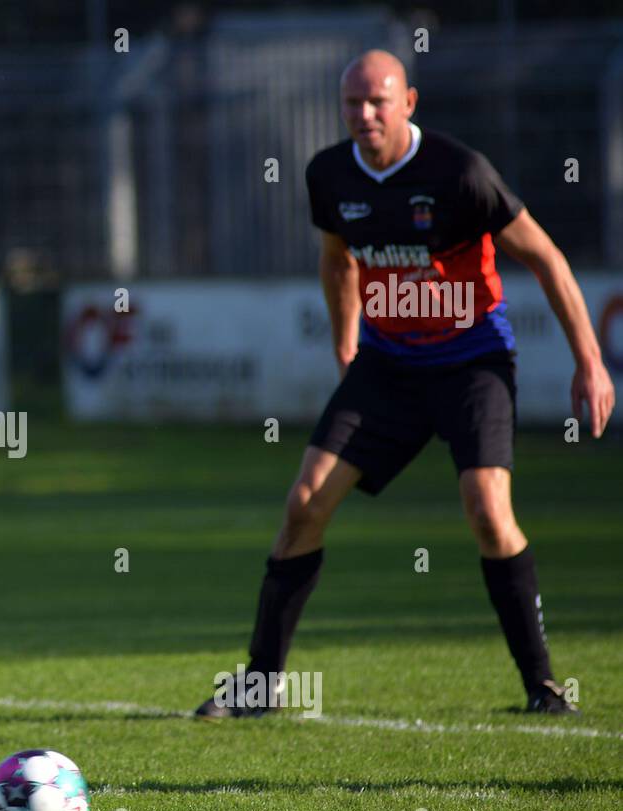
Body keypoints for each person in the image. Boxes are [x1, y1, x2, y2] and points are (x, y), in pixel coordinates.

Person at [195, 49, 615, 719]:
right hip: (387, 365)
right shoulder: (330, 175)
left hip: (472, 361)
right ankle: (259, 684)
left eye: (377, 102)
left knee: (487, 509)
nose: (363, 114)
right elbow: (338, 261)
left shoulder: (460, 173)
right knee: (304, 503)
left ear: (408, 103)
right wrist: (345, 342)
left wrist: (589, 362)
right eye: (352, 104)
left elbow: (545, 257)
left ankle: (542, 685)